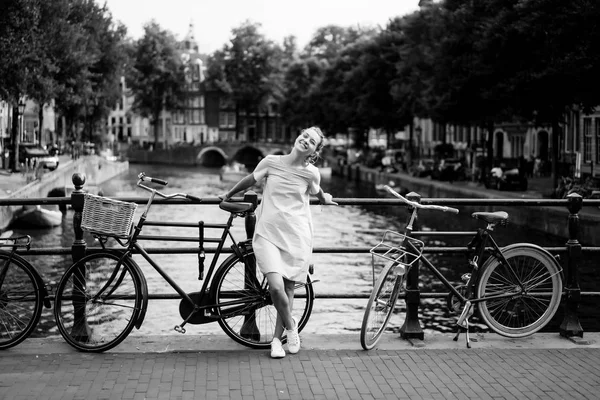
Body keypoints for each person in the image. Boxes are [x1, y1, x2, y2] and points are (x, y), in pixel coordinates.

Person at [219, 127, 338, 358]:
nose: (305, 140)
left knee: (289, 288)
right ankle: (291, 327)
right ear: (297, 137)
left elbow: (318, 192)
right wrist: (228, 195)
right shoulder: (271, 162)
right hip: (268, 233)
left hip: (296, 235)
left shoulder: (312, 173)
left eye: (311, 141)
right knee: (275, 287)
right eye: (304, 136)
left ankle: (276, 341)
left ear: (314, 151)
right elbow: (250, 179)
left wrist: (326, 198)